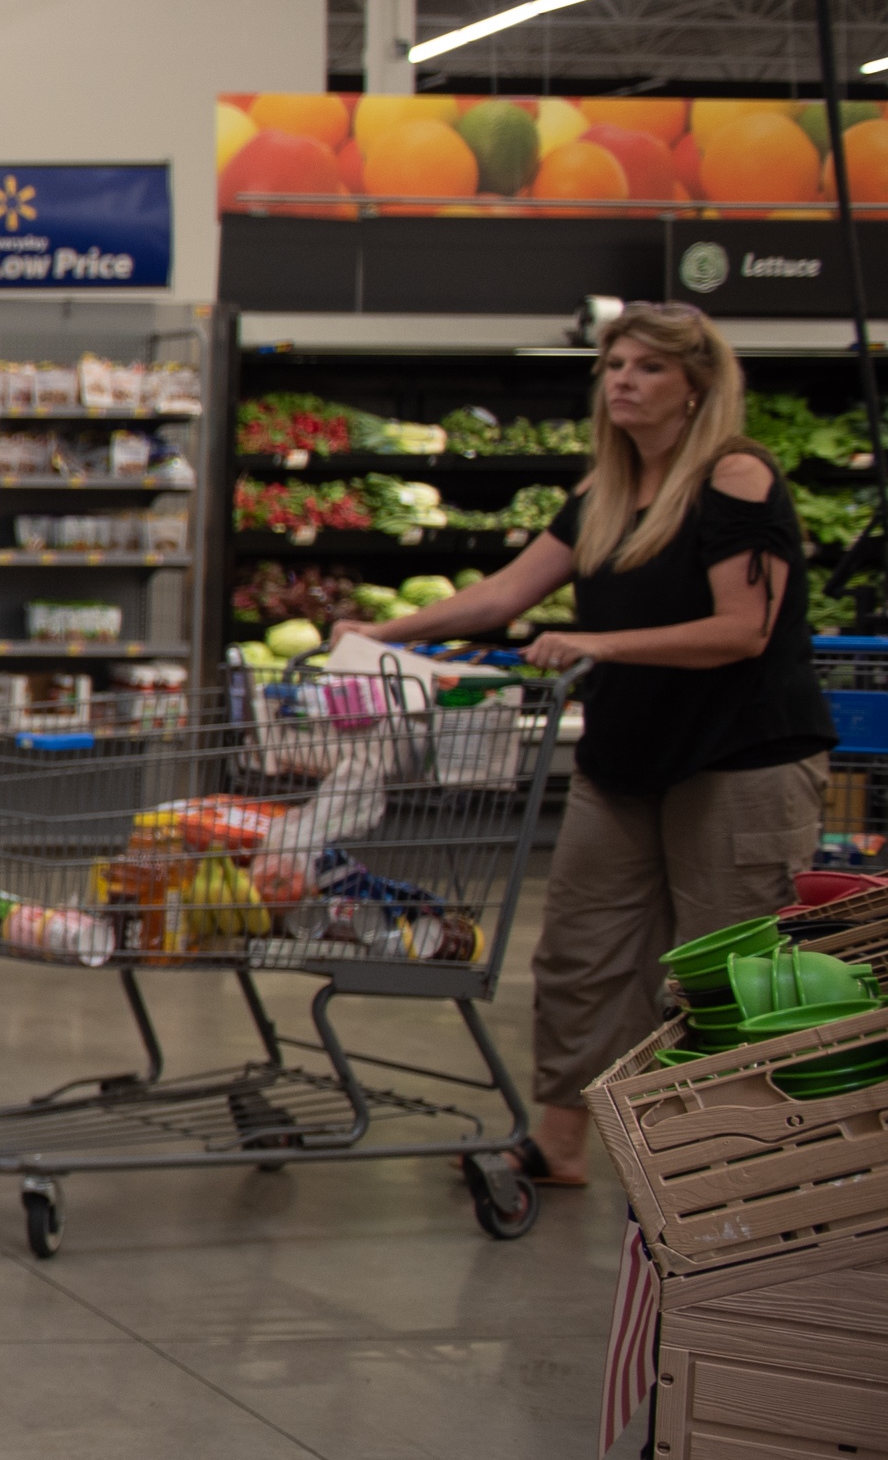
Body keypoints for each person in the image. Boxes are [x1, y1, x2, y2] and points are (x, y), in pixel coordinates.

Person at [337, 301, 833, 1186]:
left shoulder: (736, 477)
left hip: (741, 756)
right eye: (613, 368)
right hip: (625, 755)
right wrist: (379, 633)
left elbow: (742, 628)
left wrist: (598, 644)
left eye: (646, 368)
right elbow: (500, 596)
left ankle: (732, 1161)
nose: (623, 384)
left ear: (696, 386)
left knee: (725, 963)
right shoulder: (603, 493)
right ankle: (560, 1142)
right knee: (578, 952)